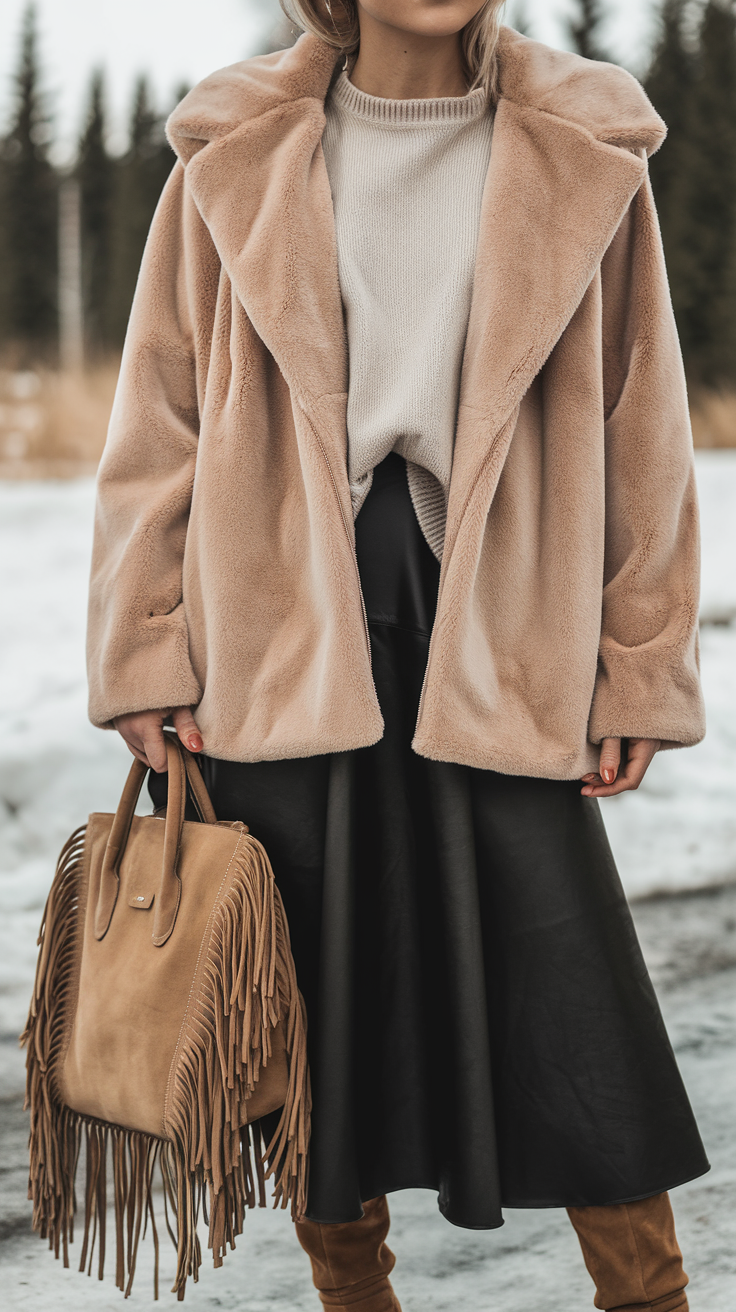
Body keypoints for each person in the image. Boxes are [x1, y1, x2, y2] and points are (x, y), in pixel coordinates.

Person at [86, 2, 709, 1309]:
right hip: (284, 639)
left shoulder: (586, 138)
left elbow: (643, 417)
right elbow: (161, 413)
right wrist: (146, 649)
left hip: (506, 636)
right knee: (320, 1015)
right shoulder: (233, 145)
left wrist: (640, 657)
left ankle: (647, 1298)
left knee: (572, 999)